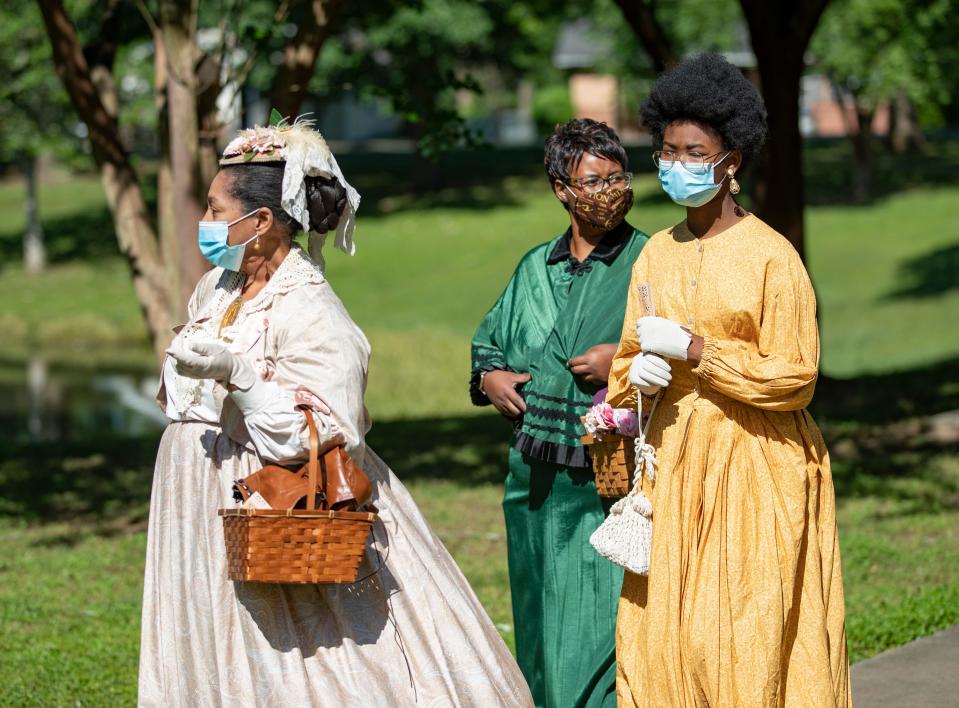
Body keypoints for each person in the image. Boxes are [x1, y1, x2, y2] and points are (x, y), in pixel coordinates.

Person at [138, 119, 533, 707]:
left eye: (216, 207)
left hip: (277, 502)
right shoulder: (216, 288)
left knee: (305, 662)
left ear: (262, 221)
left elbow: (332, 432)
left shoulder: (310, 307)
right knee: (214, 643)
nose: (206, 219)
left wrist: (240, 376)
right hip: (195, 494)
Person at [606, 54, 851, 706]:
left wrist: (696, 350)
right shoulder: (655, 252)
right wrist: (641, 377)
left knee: (746, 631)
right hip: (675, 468)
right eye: (665, 151)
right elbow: (627, 361)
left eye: (693, 152)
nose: (675, 164)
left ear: (730, 162)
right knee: (664, 635)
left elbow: (794, 376)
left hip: (757, 469)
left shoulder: (771, 256)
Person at [469, 118, 650, 708]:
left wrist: (620, 360)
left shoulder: (650, 260)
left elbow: (686, 344)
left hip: (608, 478)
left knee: (597, 616)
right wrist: (490, 376)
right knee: (537, 608)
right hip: (532, 479)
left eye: (618, 177)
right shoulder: (534, 266)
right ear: (561, 188)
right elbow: (491, 339)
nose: (609, 191)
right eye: (593, 180)